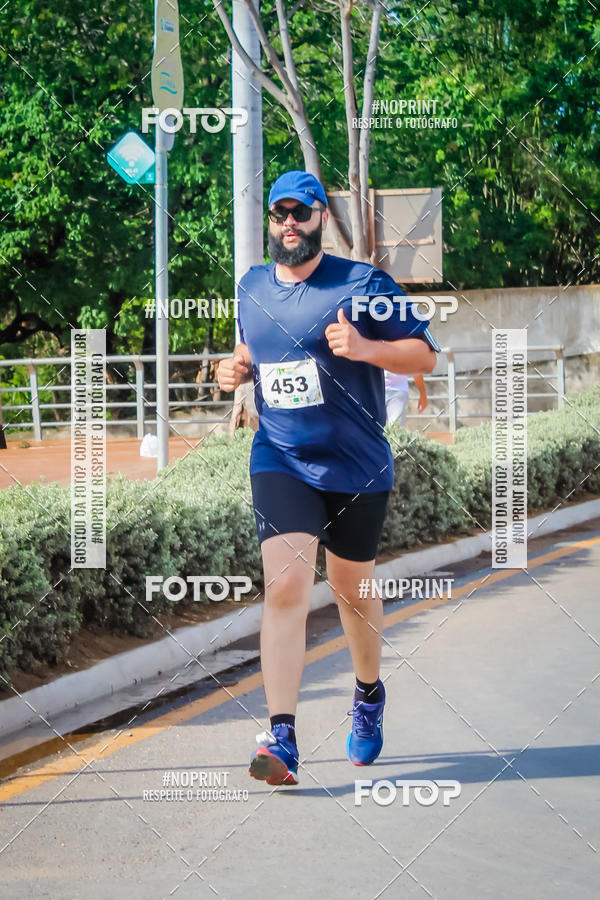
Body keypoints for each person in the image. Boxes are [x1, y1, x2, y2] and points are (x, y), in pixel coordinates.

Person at [217, 170, 439, 786]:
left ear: (319, 217)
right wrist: (229, 371)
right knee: (286, 585)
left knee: (351, 593)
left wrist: (366, 348)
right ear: (270, 221)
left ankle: (368, 697)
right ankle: (282, 737)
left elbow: (425, 353)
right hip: (280, 459)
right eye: (279, 212)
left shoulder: (362, 282)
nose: (290, 222)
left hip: (357, 465)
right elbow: (249, 352)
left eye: (301, 212)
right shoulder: (252, 287)